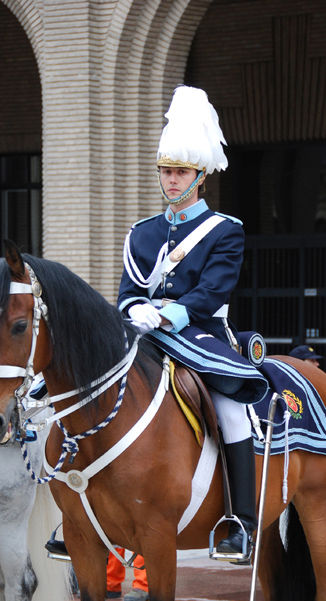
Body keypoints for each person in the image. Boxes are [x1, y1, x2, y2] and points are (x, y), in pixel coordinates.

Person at [117, 85, 268, 563]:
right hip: (143, 336)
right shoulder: (141, 233)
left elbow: (211, 293)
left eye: (180, 172)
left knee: (231, 409)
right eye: (166, 171)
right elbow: (127, 293)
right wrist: (134, 311)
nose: (171, 180)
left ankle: (240, 523)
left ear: (200, 176)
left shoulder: (225, 230)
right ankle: (80, 514)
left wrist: (165, 313)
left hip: (198, 335)